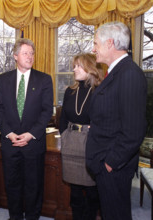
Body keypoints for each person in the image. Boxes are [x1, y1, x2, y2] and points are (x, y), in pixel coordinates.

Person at [86, 21, 147, 220]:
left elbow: (134, 131)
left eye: (96, 43)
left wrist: (110, 164)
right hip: (107, 163)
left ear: (110, 43)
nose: (93, 48)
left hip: (114, 167)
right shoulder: (116, 72)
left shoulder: (129, 74)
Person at [0, 38, 53, 220]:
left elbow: (46, 111)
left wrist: (30, 134)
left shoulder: (44, 79)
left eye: (32, 53)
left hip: (33, 145)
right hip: (10, 143)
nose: (30, 56)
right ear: (15, 56)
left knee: (33, 187)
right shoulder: (3, 80)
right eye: (26, 53)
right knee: (12, 186)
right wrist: (9, 133)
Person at [59, 53, 103, 220]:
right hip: (71, 142)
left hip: (90, 144)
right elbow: (63, 119)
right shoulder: (70, 91)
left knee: (93, 192)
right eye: (74, 65)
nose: (74, 69)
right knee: (75, 193)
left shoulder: (100, 91)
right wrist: (64, 135)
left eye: (78, 65)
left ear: (90, 68)